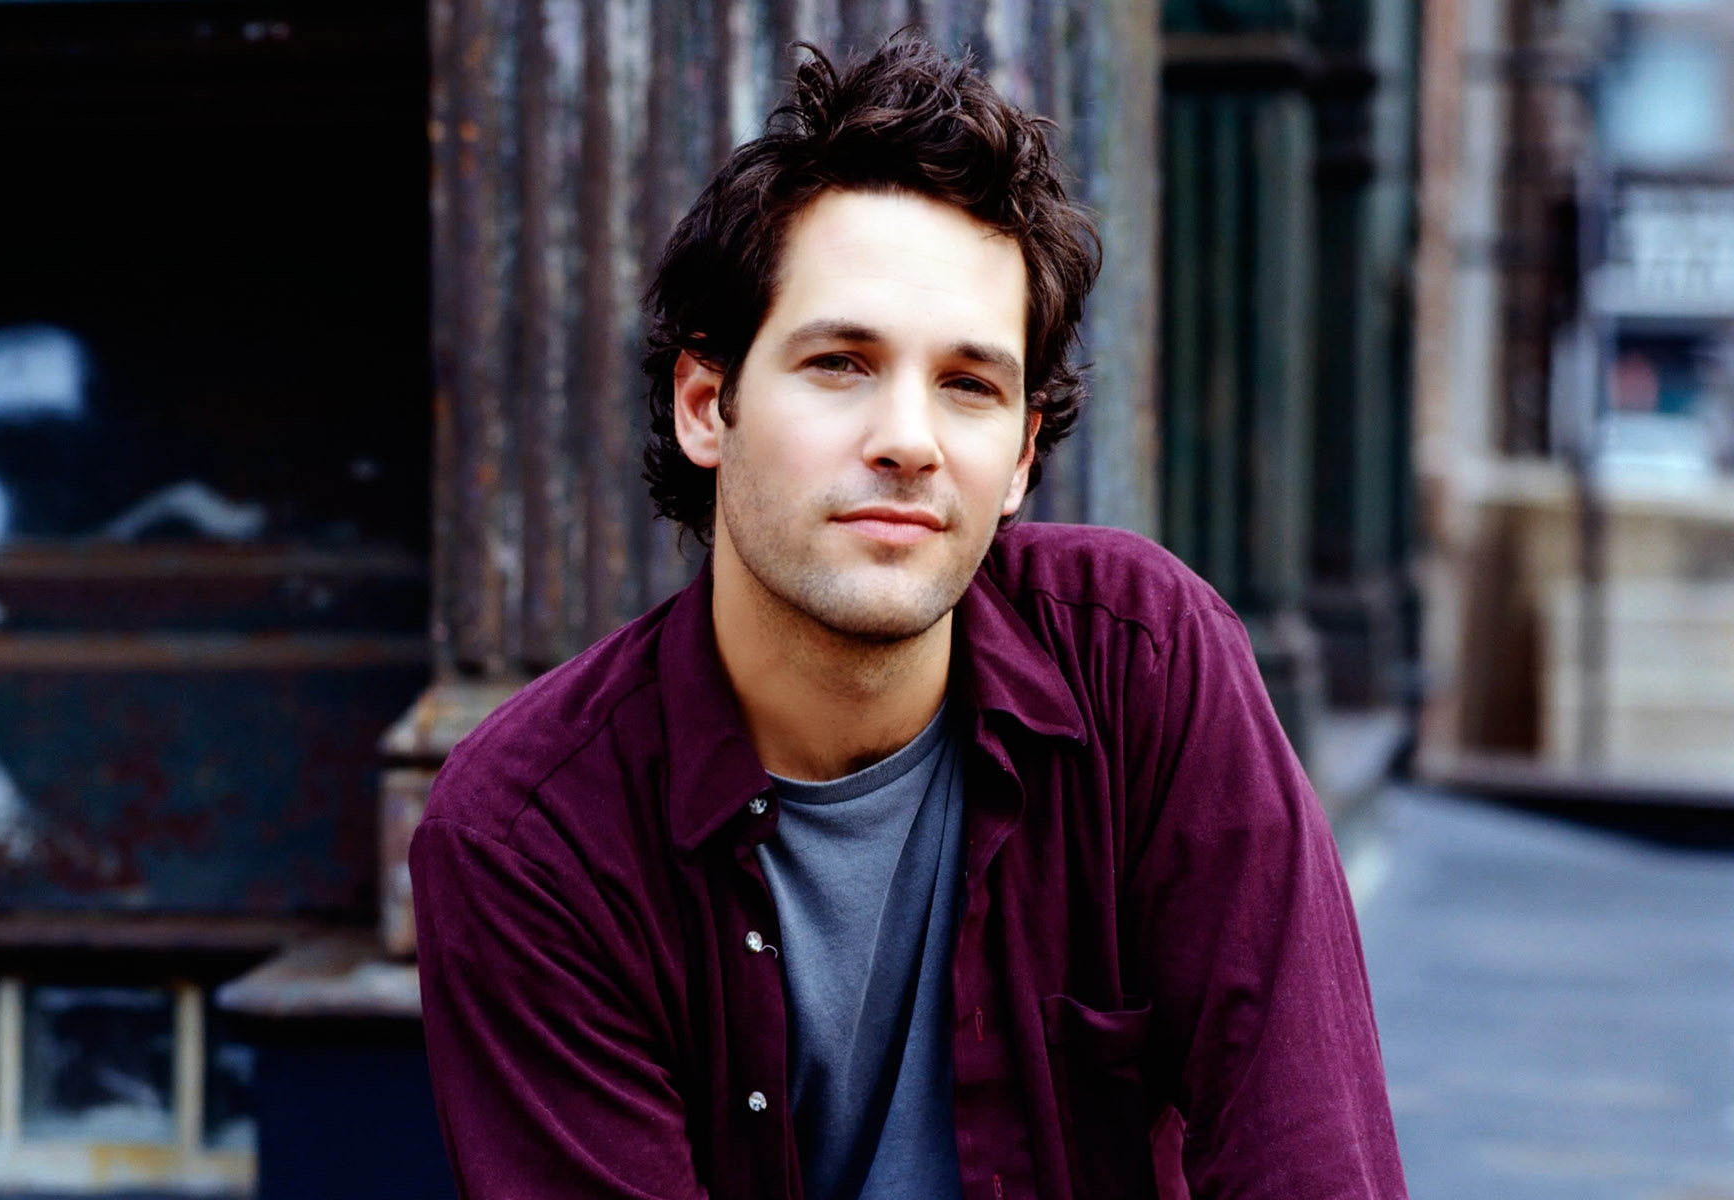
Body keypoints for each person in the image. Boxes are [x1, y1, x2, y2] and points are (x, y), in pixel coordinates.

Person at [411, 36, 1406, 1200]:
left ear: (1022, 456)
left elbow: (1309, 1159)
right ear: (706, 405)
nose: (908, 440)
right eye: (841, 363)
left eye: (969, 385)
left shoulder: (1142, 665)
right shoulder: (529, 838)